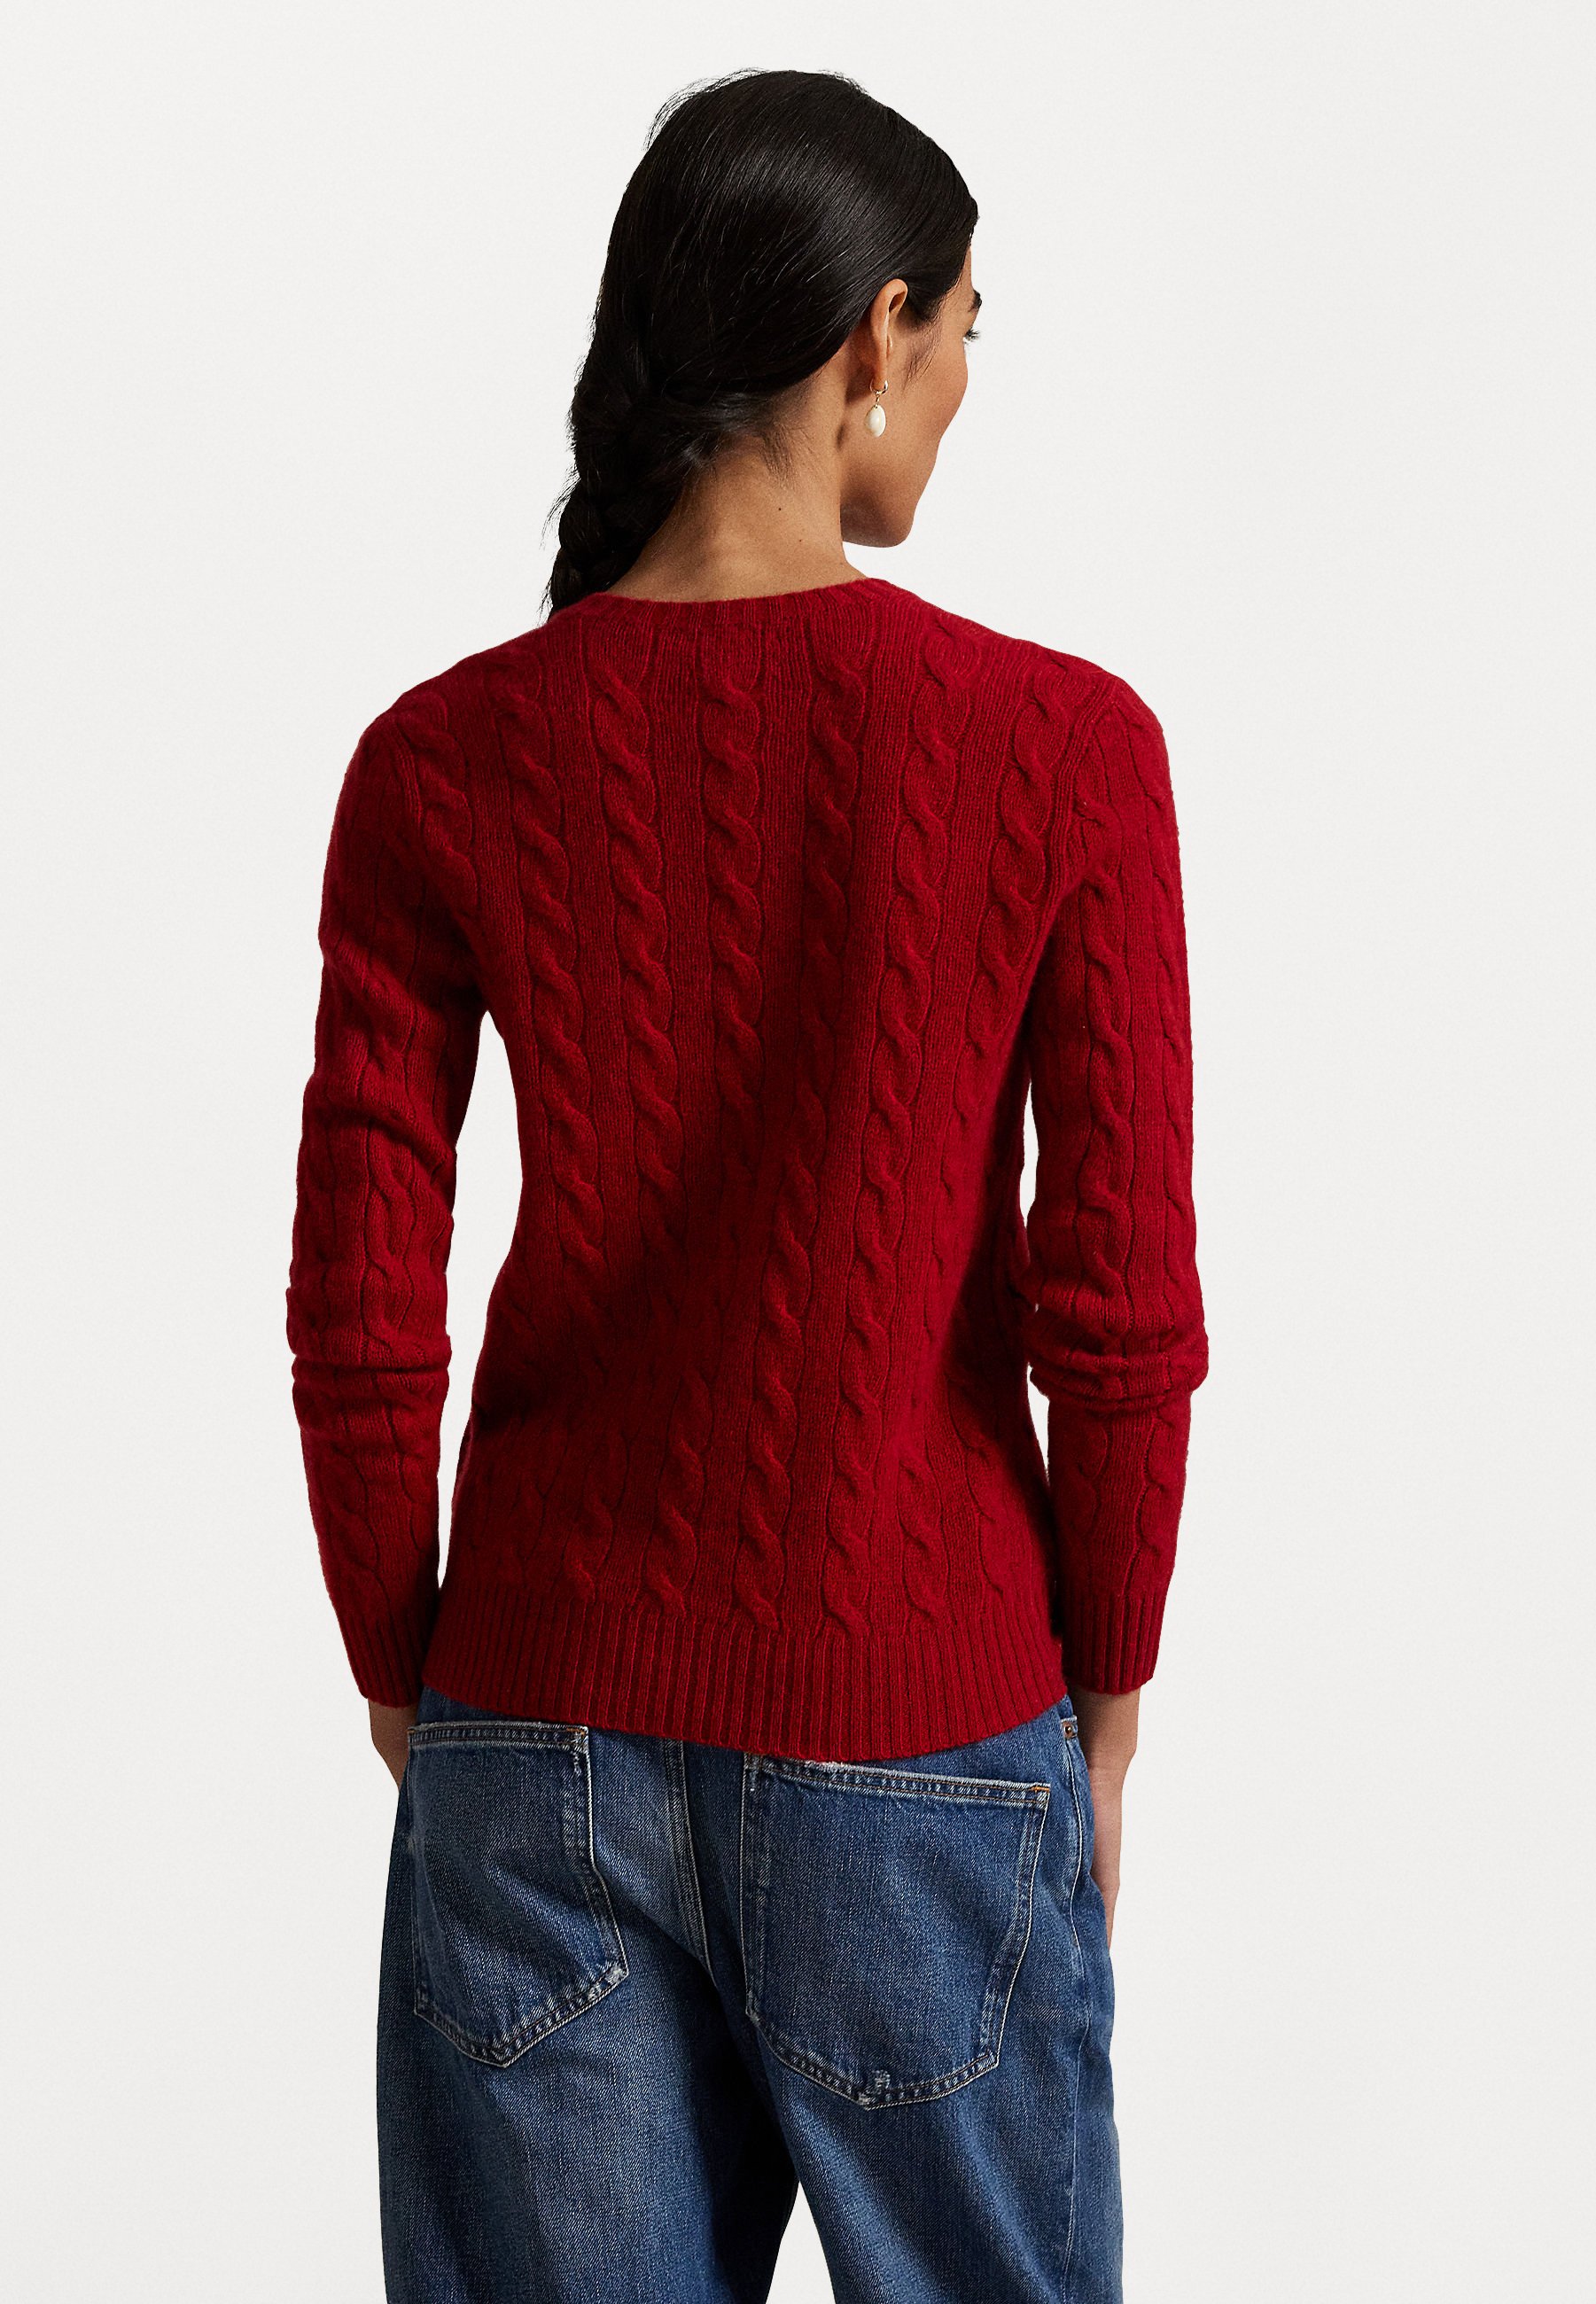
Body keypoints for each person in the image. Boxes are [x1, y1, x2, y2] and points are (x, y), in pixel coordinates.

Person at [285, 66, 1208, 2304]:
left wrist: (407, 1658)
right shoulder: (1061, 746)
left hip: (532, 1721)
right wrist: (1106, 1691)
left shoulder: (441, 759)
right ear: (874, 333)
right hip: (923, 1710)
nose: (963, 383)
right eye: (967, 330)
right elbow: (1113, 1303)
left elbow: (361, 1304)